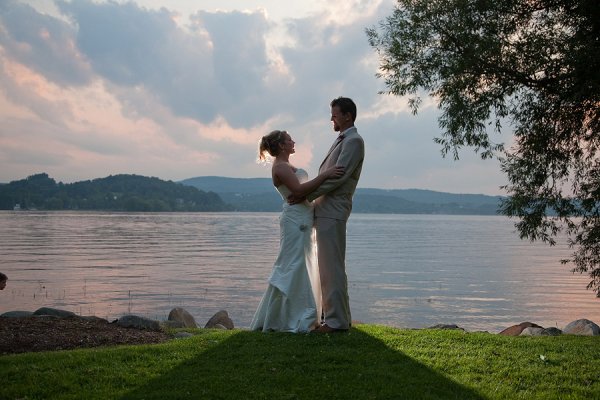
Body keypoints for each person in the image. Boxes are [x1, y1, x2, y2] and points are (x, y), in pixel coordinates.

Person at [250, 130, 345, 333]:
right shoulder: (281, 167)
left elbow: (303, 192)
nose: (294, 141)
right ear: (282, 145)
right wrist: (326, 175)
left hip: (302, 217)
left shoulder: (286, 166)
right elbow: (300, 191)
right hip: (295, 221)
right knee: (293, 264)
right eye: (290, 139)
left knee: (303, 263)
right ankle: (292, 317)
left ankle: (299, 314)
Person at [302, 97, 365, 333]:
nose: (332, 119)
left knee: (332, 269)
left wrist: (305, 195)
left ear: (348, 116)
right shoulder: (344, 139)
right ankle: (340, 318)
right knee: (330, 268)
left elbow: (339, 178)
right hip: (326, 211)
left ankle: (336, 323)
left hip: (333, 211)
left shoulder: (354, 141)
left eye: (335, 114)